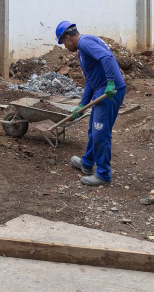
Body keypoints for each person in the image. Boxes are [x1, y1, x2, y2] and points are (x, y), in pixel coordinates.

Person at [55, 21, 126, 186]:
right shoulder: (84, 46)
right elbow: (90, 81)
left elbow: (107, 57)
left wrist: (110, 82)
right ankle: (87, 163)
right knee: (94, 130)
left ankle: (103, 175)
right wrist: (82, 104)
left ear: (67, 38)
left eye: (62, 42)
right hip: (101, 89)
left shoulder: (84, 43)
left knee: (101, 132)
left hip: (109, 91)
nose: (64, 47)